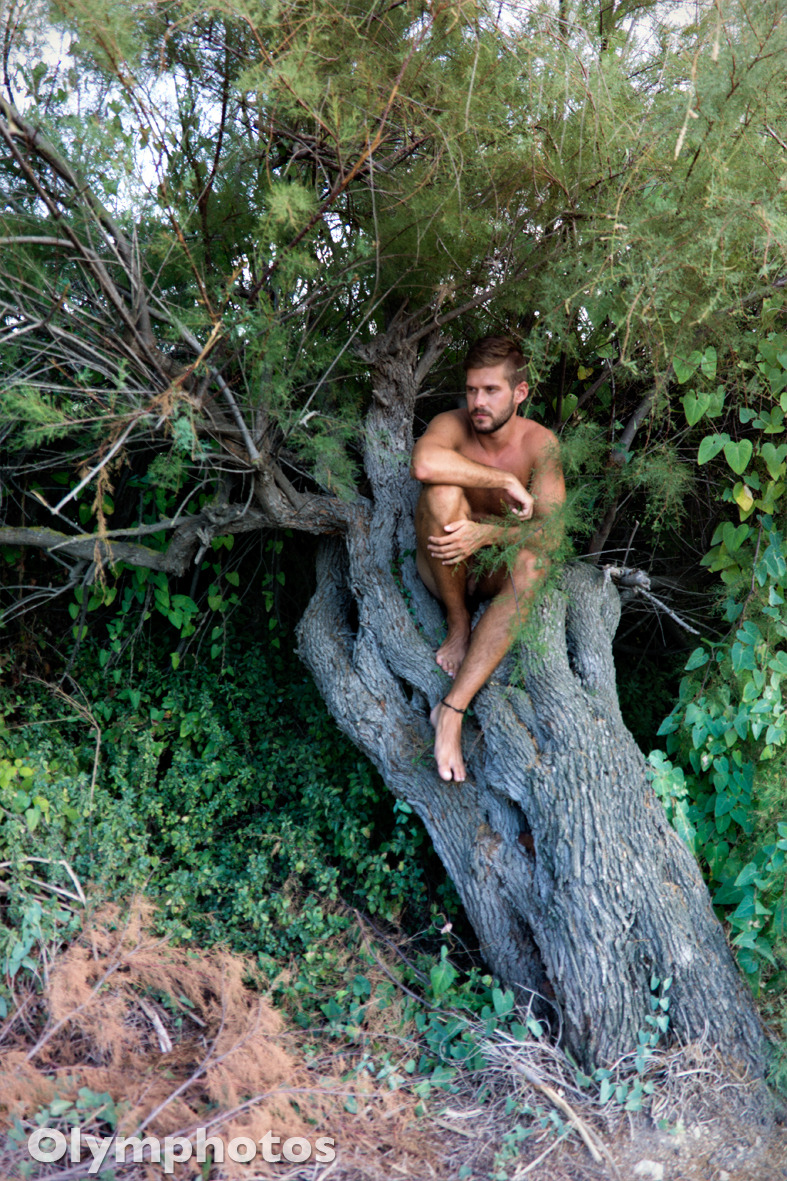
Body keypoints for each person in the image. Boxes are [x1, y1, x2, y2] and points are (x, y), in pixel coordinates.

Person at [411, 336, 565, 783]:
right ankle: (458, 623)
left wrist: (488, 534)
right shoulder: (453, 425)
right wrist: (502, 480)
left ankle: (452, 710)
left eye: (491, 390)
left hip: (495, 568)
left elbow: (553, 535)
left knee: (534, 563)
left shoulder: (541, 444)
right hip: (443, 567)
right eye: (472, 389)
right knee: (441, 492)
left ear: (519, 392)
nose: (478, 401)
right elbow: (424, 464)